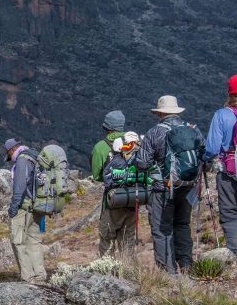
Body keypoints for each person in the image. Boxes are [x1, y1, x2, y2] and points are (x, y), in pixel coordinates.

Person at [135, 95, 204, 273]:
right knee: (182, 224)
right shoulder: (193, 129)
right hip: (189, 186)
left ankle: (168, 272)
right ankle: (187, 265)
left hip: (163, 188)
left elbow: (141, 163)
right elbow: (205, 157)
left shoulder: (154, 133)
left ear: (160, 113)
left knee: (162, 229)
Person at [91, 111, 134, 256]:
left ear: (107, 127)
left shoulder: (100, 147)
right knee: (128, 241)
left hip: (112, 199)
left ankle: (107, 275)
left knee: (107, 238)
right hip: (133, 197)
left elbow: (97, 176)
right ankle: (129, 273)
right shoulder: (133, 143)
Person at [4, 138, 48, 283]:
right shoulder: (34, 156)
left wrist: (13, 207)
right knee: (34, 241)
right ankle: (40, 275)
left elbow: (19, 187)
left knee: (18, 241)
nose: (11, 159)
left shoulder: (22, 161)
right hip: (38, 205)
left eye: (9, 156)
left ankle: (27, 277)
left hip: (24, 206)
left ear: (11, 150)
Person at [203, 75, 237, 254]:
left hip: (228, 171)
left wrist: (205, 159)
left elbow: (212, 148)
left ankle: (234, 251)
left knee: (230, 212)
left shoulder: (222, 115)